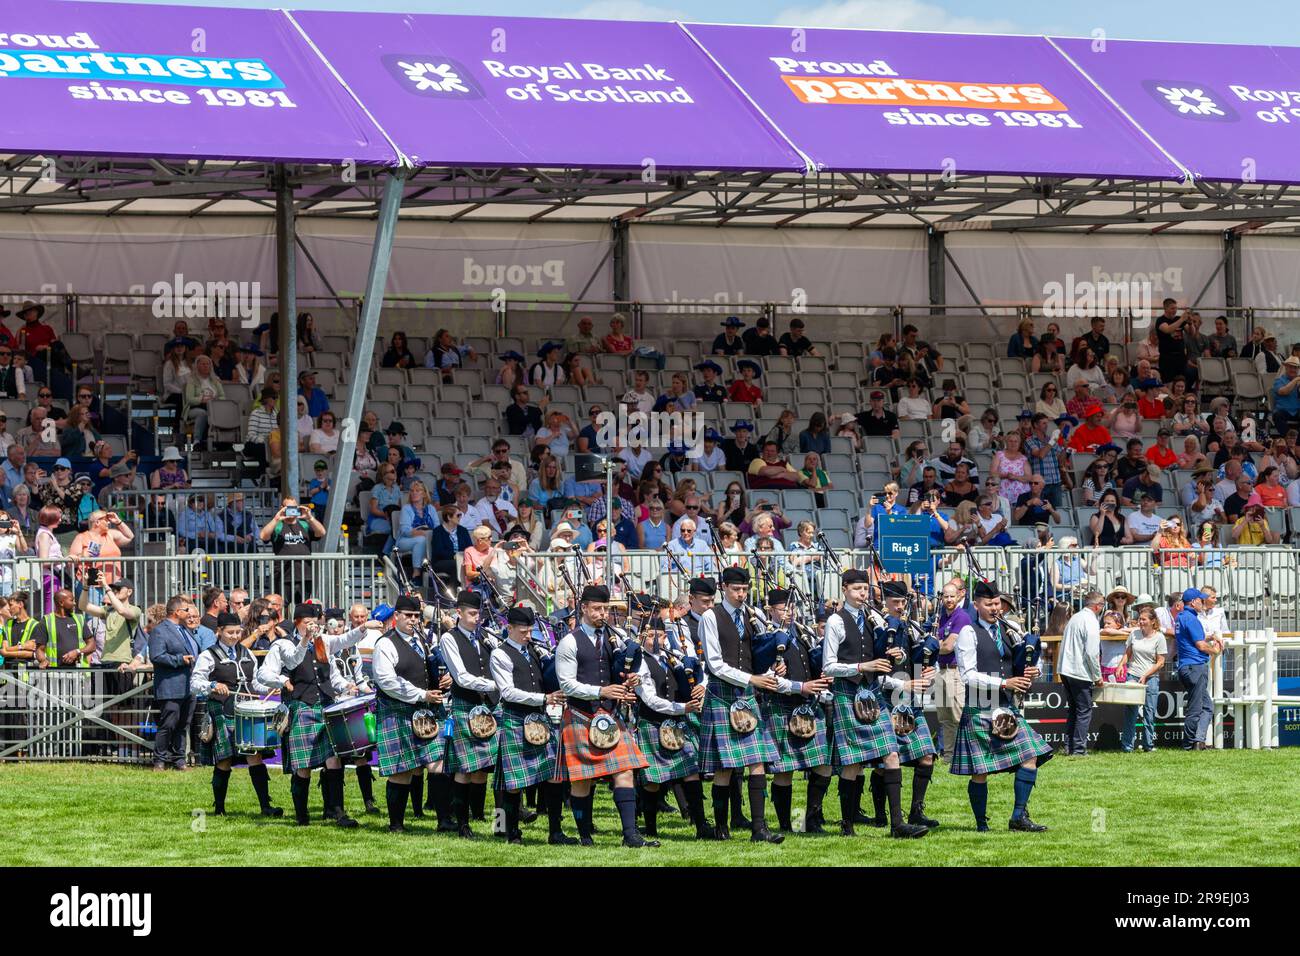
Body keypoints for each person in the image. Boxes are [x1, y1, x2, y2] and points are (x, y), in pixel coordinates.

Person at [821, 569, 928, 839]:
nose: (862, 594)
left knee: (891, 755)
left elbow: (886, 653)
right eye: (857, 589)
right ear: (844, 589)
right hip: (847, 693)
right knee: (852, 764)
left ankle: (897, 824)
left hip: (872, 692)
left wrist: (897, 653)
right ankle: (847, 824)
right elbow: (829, 666)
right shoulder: (835, 621)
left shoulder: (874, 619)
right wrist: (862, 665)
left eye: (865, 590)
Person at [258, 603, 382, 826]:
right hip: (301, 706)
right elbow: (263, 673)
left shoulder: (322, 642)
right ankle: (301, 816)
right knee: (303, 765)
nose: (313, 627)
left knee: (333, 760)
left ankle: (337, 813)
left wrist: (346, 685)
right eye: (308, 623)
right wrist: (282, 680)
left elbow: (336, 662)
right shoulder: (283, 645)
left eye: (316, 623)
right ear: (297, 622)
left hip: (326, 706)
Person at [553, 584, 656, 847]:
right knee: (582, 779)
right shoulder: (569, 642)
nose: (602, 614)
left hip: (609, 714)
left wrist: (629, 679)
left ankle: (630, 835)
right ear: (584, 608)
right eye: (597, 609)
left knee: (625, 770)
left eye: (606, 609)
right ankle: (585, 835)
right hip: (580, 714)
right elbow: (566, 685)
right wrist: (601, 690)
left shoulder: (615, 637)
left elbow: (621, 670)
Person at [950, 581, 1052, 832]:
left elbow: (1022, 661)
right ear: (976, 605)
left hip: (1006, 708)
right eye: (989, 604)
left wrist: (1033, 670)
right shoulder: (968, 632)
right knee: (980, 771)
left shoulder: (1010, 629)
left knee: (1030, 755)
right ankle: (981, 823)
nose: (995, 609)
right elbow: (968, 675)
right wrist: (1004, 682)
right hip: (979, 707)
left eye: (997, 604)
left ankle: (1018, 817)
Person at [696, 567, 785, 843]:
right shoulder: (711, 617)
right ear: (724, 587)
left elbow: (754, 653)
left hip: (746, 695)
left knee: (757, 762)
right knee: (724, 768)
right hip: (722, 694)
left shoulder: (750, 615)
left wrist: (771, 669)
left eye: (745, 589)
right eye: (736, 589)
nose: (741, 594)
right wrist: (753, 679)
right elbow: (715, 664)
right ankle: (721, 826)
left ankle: (759, 829)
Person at [489, 604, 577, 845]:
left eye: (530, 631)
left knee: (553, 775)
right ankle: (509, 832)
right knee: (512, 783)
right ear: (509, 629)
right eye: (522, 631)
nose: (528, 636)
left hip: (540, 721)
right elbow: (507, 692)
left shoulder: (536, 651)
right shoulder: (500, 654)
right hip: (515, 719)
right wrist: (544, 698)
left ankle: (555, 833)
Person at [190, 612, 284, 817]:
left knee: (255, 756)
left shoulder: (246, 653)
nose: (234, 636)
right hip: (223, 712)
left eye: (237, 632)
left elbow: (255, 682)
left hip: (247, 713)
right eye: (230, 632)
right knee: (224, 760)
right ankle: (220, 808)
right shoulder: (208, 655)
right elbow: (195, 684)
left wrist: (271, 686)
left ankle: (265, 806)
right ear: (219, 632)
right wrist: (213, 685)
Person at [630, 618, 717, 840]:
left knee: (691, 772)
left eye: (660, 636)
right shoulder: (638, 663)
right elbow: (648, 698)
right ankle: (650, 828)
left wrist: (700, 685)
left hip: (678, 724)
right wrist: (682, 707)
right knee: (652, 780)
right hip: (652, 723)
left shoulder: (672, 657)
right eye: (651, 636)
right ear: (641, 638)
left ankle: (701, 826)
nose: (657, 641)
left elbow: (703, 670)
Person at [865, 582, 940, 831]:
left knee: (927, 755)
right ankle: (880, 814)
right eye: (895, 602)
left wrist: (930, 671)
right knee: (883, 762)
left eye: (903, 602)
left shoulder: (908, 627)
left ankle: (917, 811)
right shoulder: (877, 628)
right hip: (885, 699)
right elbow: (873, 674)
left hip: (908, 703)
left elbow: (917, 661)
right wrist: (903, 685)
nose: (900, 607)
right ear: (884, 601)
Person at [436, 590, 500, 838]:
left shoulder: (485, 638)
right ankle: (463, 825)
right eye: (472, 614)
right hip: (466, 707)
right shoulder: (449, 639)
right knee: (465, 769)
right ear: (459, 613)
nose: (476, 618)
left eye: (478, 614)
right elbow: (461, 677)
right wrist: (495, 685)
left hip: (491, 708)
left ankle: (500, 825)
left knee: (492, 769)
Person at [148, 595, 199, 770]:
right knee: (168, 724)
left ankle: (179, 760)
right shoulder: (160, 631)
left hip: (189, 686)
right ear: (177, 612)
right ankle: (159, 760)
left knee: (183, 724)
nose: (189, 613)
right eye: (186, 610)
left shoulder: (185, 630)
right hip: (170, 686)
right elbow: (156, 656)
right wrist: (180, 659)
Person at [1059, 591, 1104, 757]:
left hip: (1065, 668)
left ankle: (1069, 746)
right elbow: (1092, 653)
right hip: (1079, 671)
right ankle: (1078, 749)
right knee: (1084, 710)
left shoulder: (1075, 617)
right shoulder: (1091, 621)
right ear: (1098, 606)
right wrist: (1097, 676)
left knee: (1073, 709)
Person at [1174, 589, 1220, 751]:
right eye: (1200, 600)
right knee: (1195, 708)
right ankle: (1189, 745)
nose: (1203, 602)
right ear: (1193, 602)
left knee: (1207, 706)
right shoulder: (1192, 619)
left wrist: (1208, 638)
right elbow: (1200, 645)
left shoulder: (1180, 617)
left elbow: (1192, 638)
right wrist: (1215, 650)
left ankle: (1198, 741)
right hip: (1196, 667)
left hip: (1186, 666)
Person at [1120, 606, 1166, 753]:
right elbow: (1128, 653)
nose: (1140, 621)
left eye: (1143, 619)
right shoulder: (1134, 634)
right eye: (1139, 619)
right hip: (1132, 676)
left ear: (1153, 621)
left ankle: (1148, 745)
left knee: (1149, 712)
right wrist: (1121, 664)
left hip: (1151, 678)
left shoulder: (1159, 637)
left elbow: (1160, 662)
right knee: (1130, 712)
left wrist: (1146, 675)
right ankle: (1127, 746)